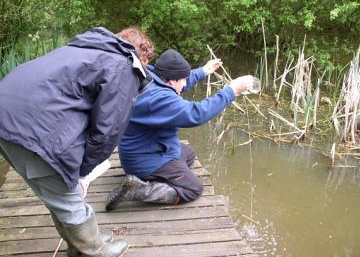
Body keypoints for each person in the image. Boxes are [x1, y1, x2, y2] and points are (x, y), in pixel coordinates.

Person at [0, 26, 154, 257]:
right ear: (143, 55)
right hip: (34, 129)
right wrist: (81, 171)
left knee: (55, 193)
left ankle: (80, 245)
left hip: (8, 119)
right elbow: (107, 131)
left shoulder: (85, 48)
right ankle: (94, 251)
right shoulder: (123, 64)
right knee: (67, 194)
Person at [105, 48, 260, 211]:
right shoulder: (158, 99)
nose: (186, 83)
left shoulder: (152, 77)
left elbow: (179, 83)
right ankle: (140, 189)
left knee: (189, 154)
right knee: (193, 189)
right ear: (172, 81)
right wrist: (232, 90)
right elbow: (197, 114)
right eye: (183, 80)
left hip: (145, 148)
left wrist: (204, 70)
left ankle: (160, 175)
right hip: (143, 160)